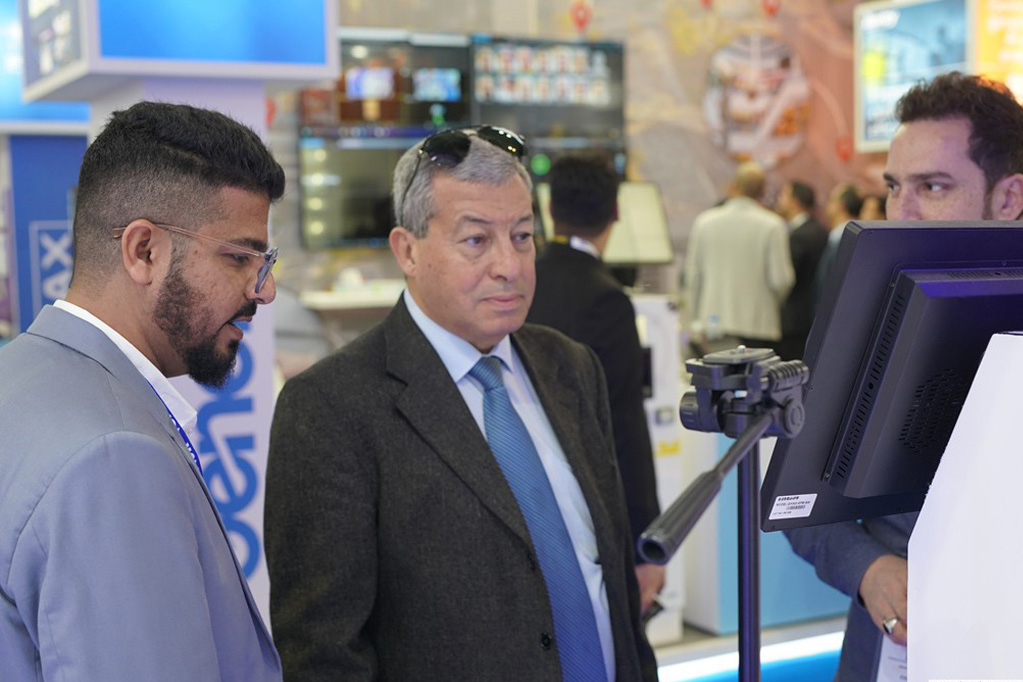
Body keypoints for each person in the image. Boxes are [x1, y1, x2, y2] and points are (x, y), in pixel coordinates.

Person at [265, 127, 658, 682]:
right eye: (476, 240)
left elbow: (610, 576)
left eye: (522, 237)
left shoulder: (570, 367)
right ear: (407, 250)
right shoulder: (332, 408)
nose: (509, 265)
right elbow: (323, 652)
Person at [0, 102, 285, 680]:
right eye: (239, 257)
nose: (265, 289)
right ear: (144, 251)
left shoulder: (20, 376)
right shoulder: (114, 458)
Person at [786, 71, 1023, 681]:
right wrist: (868, 567)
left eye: (933, 187)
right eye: (894, 187)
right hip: (895, 651)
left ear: (1009, 198)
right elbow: (798, 495)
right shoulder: (868, 319)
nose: (901, 212)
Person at [526, 153, 665, 613]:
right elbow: (623, 425)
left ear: (549, 209)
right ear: (616, 213)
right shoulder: (607, 299)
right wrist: (646, 540)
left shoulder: (523, 281)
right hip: (586, 507)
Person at [685, 161, 795, 352]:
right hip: (759, 325)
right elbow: (781, 280)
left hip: (714, 324)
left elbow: (692, 277)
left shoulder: (704, 222)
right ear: (763, 191)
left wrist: (694, 320)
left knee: (717, 372)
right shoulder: (773, 225)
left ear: (732, 186)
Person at [774, 180, 829, 360]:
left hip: (795, 320)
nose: (778, 201)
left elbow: (788, 276)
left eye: (783, 196)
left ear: (794, 201)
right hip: (813, 314)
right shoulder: (820, 230)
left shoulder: (799, 235)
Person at [813, 183, 863, 304]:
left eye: (831, 200)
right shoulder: (840, 238)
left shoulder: (846, 241)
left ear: (841, 205)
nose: (827, 205)